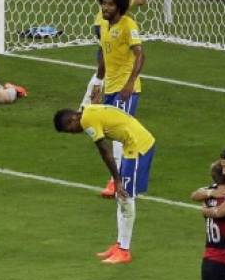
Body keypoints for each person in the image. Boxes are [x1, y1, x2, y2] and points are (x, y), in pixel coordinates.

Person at [53, 105, 155, 264]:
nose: (73, 133)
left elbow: (104, 151)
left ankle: (124, 251)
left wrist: (117, 179)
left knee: (126, 196)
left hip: (138, 146)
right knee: (120, 197)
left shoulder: (87, 120)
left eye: (70, 129)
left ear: (72, 119)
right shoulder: (88, 111)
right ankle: (120, 244)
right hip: (131, 145)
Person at [81, 0, 146, 198]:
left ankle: (116, 181)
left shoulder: (128, 25)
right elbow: (105, 60)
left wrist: (130, 84)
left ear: (119, 6)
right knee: (115, 132)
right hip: (110, 88)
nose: (105, 8)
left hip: (126, 90)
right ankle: (124, 175)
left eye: (110, 4)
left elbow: (140, 55)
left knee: (119, 134)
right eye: (103, 4)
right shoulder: (105, 27)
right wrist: (98, 83)